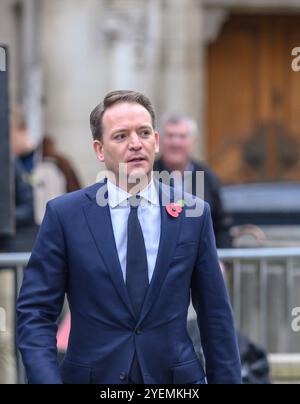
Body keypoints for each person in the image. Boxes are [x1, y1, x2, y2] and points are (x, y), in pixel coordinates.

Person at [17, 90, 241, 384]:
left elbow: (216, 318)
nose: (136, 144)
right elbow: (36, 313)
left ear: (156, 141)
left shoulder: (193, 214)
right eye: (121, 136)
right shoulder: (65, 215)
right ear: (99, 149)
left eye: (144, 132)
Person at [154, 114, 232, 248]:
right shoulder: (147, 176)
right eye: (170, 136)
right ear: (158, 141)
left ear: (193, 142)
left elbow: (221, 225)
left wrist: (220, 260)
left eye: (182, 136)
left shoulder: (208, 177)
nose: (175, 143)